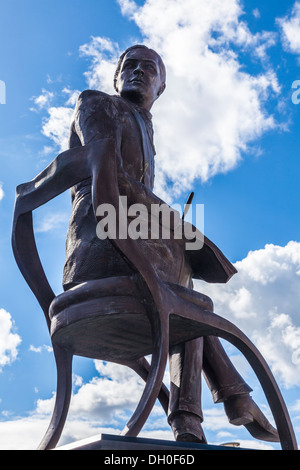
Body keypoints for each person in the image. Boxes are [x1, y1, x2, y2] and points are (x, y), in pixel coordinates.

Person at [13, 44, 279, 444]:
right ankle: (214, 406)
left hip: (133, 247)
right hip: (98, 247)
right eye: (130, 66)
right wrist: (172, 223)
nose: (138, 72)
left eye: (149, 68)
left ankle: (205, 414)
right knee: (187, 296)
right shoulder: (97, 103)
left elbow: (130, 193)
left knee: (185, 294)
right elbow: (110, 179)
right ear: (116, 77)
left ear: (162, 86)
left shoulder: (145, 127)